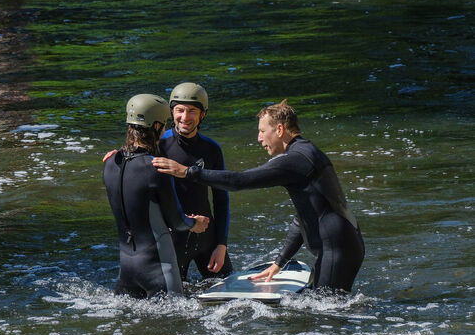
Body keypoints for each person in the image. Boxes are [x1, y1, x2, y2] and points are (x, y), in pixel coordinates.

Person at [153, 100, 365, 293]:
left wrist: (188, 172)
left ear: (279, 129)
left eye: (263, 131)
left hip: (336, 249)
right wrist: (279, 263)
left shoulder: (295, 159)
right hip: (343, 243)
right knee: (325, 306)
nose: (259, 138)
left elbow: (239, 181)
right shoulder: (305, 153)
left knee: (327, 315)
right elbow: (303, 218)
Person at [103, 94, 209, 298]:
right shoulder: (156, 168)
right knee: (177, 325)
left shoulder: (109, 163)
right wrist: (194, 223)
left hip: (126, 268)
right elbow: (176, 220)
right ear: (158, 125)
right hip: (157, 268)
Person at [161, 82, 233, 281]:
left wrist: (221, 245)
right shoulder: (159, 145)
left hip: (207, 239)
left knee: (231, 293)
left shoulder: (211, 149)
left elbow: (221, 199)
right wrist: (120, 158)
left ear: (203, 114)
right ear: (171, 112)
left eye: (192, 111)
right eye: (179, 110)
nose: (185, 117)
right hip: (173, 239)